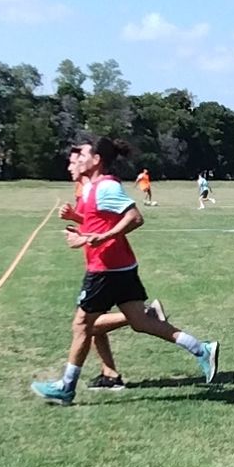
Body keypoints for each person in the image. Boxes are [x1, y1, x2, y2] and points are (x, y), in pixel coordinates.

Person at [31, 137, 219, 405]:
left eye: (82, 154)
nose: (76, 158)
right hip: (118, 266)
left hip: (106, 269)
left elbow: (135, 217)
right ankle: (201, 349)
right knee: (141, 322)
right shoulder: (92, 188)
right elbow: (100, 221)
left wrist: (99, 237)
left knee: (82, 325)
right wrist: (81, 226)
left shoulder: (106, 186)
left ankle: (66, 387)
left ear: (96, 160)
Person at [65, 146, 167, 391]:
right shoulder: (85, 188)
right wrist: (76, 220)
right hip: (99, 261)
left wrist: (90, 236)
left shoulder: (100, 186)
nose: (71, 166)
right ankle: (110, 374)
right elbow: (93, 222)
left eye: (75, 160)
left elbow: (124, 220)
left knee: (87, 323)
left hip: (108, 263)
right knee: (91, 323)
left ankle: (68, 386)